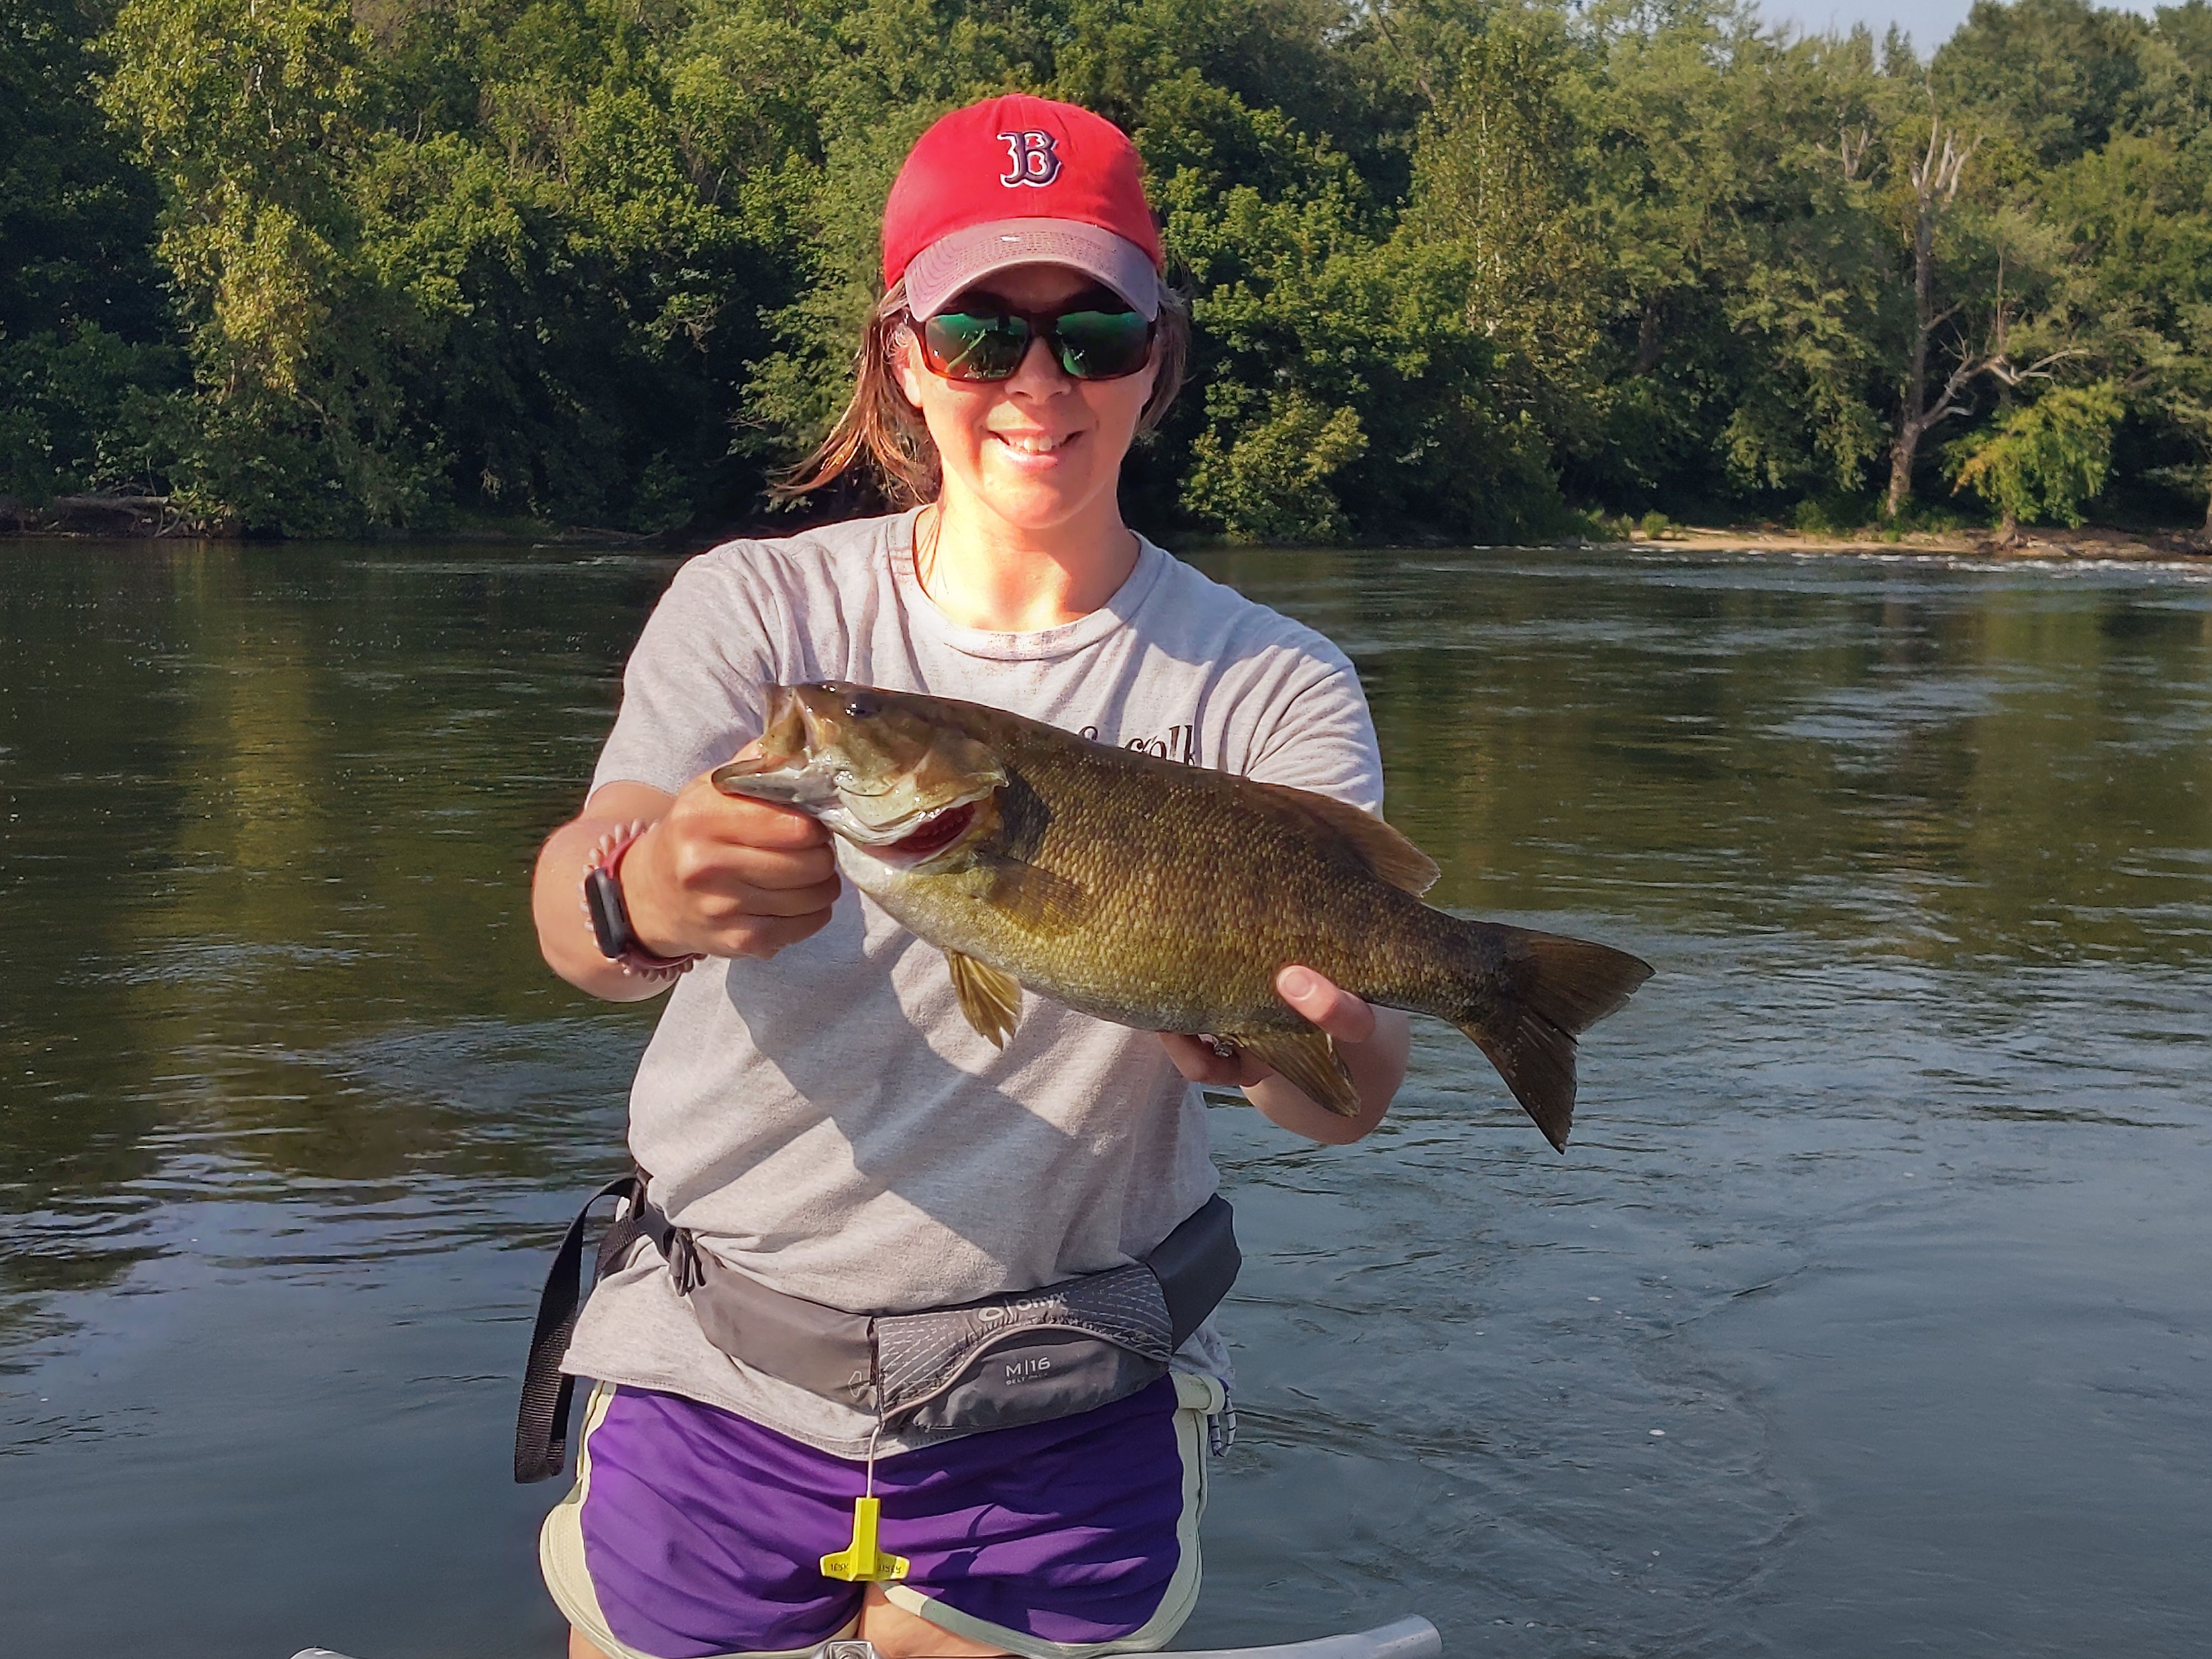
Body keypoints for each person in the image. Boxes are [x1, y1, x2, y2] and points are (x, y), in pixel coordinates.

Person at [528, 92, 1410, 1659]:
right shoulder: (759, 617)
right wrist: (645, 895)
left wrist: (1307, 1051)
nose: (1036, 382)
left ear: (1162, 353)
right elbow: (578, 915)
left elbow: (1350, 1092)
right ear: (898, 354)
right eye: (980, 331)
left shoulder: (1274, 686)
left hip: (1065, 1386)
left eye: (1095, 332)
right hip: (716, 1353)